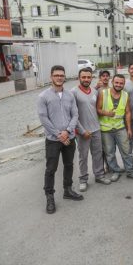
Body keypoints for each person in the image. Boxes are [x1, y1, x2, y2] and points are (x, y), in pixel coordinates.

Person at [37, 65, 83, 215]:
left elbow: (75, 115)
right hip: (53, 140)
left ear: (64, 77)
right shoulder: (43, 97)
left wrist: (67, 131)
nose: (59, 77)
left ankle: (68, 190)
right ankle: (49, 196)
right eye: (56, 75)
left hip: (69, 137)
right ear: (51, 77)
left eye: (61, 75)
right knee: (51, 169)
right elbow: (44, 118)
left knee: (69, 164)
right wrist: (59, 134)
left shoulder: (70, 95)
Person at [71, 68, 112, 192]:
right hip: (83, 132)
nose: (86, 79)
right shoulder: (73, 92)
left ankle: (99, 175)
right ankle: (83, 180)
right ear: (79, 78)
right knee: (83, 157)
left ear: (91, 78)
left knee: (98, 154)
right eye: (83, 77)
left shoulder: (95, 91)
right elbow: (72, 115)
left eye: (88, 77)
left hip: (96, 129)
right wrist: (81, 130)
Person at [97, 74, 133, 181]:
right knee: (110, 152)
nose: (118, 85)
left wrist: (129, 129)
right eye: (116, 82)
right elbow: (98, 109)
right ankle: (115, 171)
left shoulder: (125, 95)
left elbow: (127, 112)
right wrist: (106, 113)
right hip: (106, 129)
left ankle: (130, 171)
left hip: (120, 127)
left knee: (126, 151)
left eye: (121, 83)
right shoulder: (103, 93)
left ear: (124, 84)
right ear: (112, 82)